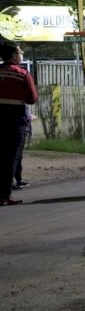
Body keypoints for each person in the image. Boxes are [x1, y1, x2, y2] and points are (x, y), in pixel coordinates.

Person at [0, 42, 37, 206]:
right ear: (15, 55)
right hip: (16, 118)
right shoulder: (22, 74)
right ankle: (4, 195)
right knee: (11, 157)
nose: (21, 54)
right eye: (20, 52)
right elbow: (32, 98)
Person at [12, 105, 32, 190]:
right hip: (18, 127)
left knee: (18, 156)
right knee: (14, 157)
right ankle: (10, 182)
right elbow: (33, 98)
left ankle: (18, 179)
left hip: (21, 127)